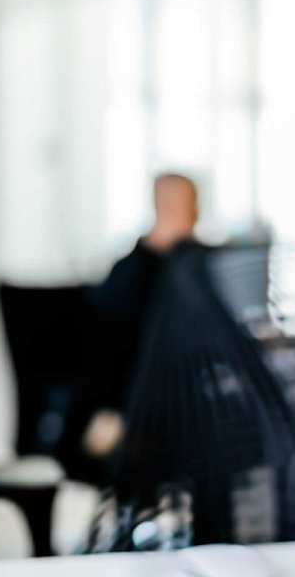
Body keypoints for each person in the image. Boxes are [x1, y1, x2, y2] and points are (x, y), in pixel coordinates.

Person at [79, 174, 201, 461]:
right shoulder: (129, 275)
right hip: (136, 407)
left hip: (196, 403)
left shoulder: (206, 267)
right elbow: (106, 352)